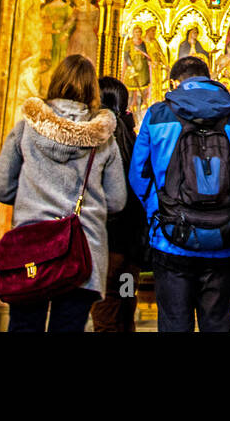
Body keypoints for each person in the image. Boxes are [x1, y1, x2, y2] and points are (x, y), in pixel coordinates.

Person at [0, 54, 126, 332]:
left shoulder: (25, 129)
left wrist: (31, 200)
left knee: (24, 326)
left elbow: (0, 187)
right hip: (83, 249)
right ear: (91, 90)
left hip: (32, 246)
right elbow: (116, 200)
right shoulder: (103, 139)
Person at [127, 55, 230, 332]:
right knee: (218, 324)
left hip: (170, 238)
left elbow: (138, 176)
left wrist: (161, 212)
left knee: (175, 323)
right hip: (224, 241)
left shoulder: (157, 114)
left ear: (177, 80)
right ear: (208, 77)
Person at [90, 76, 146, 332]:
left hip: (107, 243)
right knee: (125, 310)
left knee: (105, 315)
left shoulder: (100, 138)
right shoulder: (133, 139)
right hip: (131, 247)